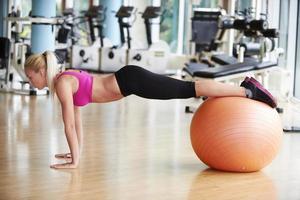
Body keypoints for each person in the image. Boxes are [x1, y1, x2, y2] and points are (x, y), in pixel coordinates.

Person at [24, 51, 277, 169]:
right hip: (129, 80)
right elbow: (77, 122)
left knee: (191, 88)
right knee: (190, 88)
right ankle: (244, 89)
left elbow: (68, 124)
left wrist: (75, 161)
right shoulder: (64, 80)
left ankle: (246, 91)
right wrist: (74, 155)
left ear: (42, 72)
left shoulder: (62, 83)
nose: (30, 82)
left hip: (131, 81)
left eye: (30, 77)